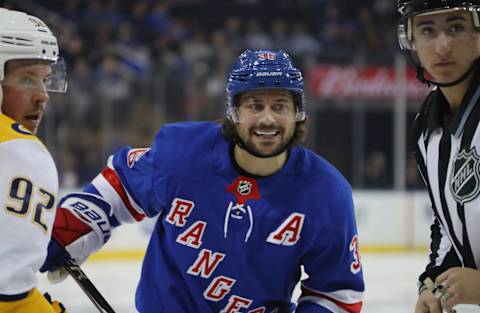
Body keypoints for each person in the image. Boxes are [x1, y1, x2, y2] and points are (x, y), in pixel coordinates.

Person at [41, 49, 364, 312]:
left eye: (280, 106)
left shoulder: (326, 193)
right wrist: (71, 225)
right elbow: (119, 187)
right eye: (254, 105)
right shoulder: (182, 151)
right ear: (233, 111)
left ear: (298, 114)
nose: (267, 118)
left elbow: (336, 293)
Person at [397, 1, 480, 312]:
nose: (442, 45)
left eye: (456, 27)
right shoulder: (426, 126)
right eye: (428, 30)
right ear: (411, 40)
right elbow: (446, 221)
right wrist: (433, 283)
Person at [0, 7, 68, 313]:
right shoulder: (17, 151)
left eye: (45, 80)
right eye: (27, 79)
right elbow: (8, 299)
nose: (43, 96)